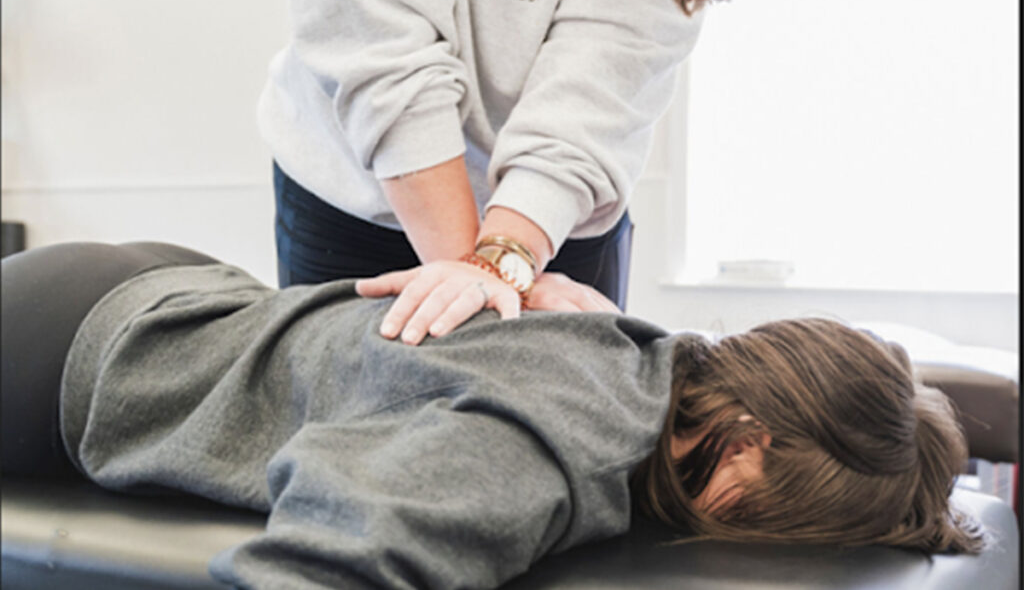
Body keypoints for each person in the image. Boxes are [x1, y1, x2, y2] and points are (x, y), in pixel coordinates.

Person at [1, 242, 984, 589]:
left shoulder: (652, 356)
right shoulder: (539, 452)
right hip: (63, 362)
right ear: (746, 440)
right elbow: (318, 568)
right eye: (776, 517)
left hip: (174, 284)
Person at [261, 0, 728, 345]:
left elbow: (601, 81)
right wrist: (485, 279)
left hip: (559, 211)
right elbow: (380, 50)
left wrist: (497, 269)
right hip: (361, 195)